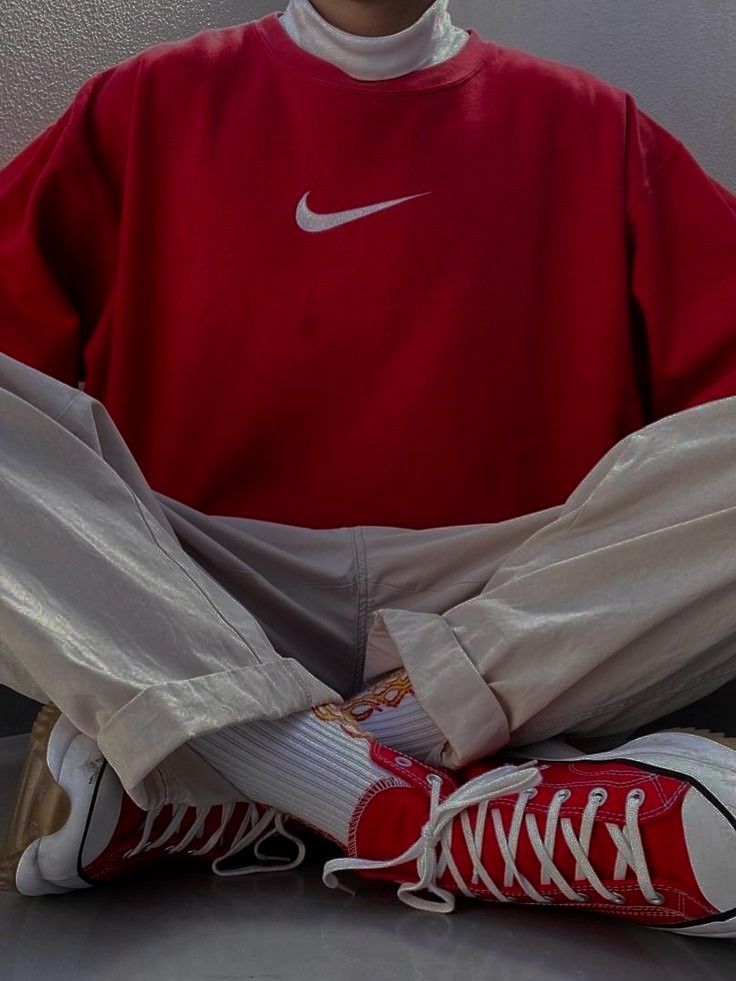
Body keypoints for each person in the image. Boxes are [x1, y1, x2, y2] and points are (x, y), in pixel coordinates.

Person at [1, 0, 736, 938]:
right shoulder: (143, 103)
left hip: (505, 606)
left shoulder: (595, 124)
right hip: (198, 591)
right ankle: (392, 796)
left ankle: (269, 769)